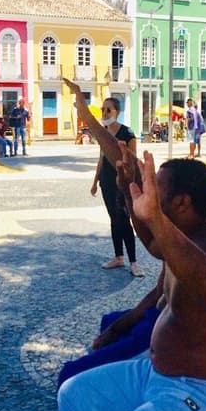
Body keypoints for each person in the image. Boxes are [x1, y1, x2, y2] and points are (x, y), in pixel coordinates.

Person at [60, 77, 206, 411]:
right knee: (74, 394)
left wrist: (153, 217)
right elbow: (152, 241)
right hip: (159, 374)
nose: (148, 190)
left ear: (181, 203)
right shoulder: (179, 239)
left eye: (156, 190)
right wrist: (128, 193)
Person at [90, 97, 142, 277]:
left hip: (122, 183)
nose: (104, 113)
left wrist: (132, 184)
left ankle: (134, 262)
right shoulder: (103, 133)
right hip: (106, 181)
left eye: (108, 110)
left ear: (117, 112)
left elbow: (133, 161)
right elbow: (101, 158)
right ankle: (118, 257)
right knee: (113, 219)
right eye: (102, 110)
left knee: (124, 220)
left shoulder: (127, 133)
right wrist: (95, 181)